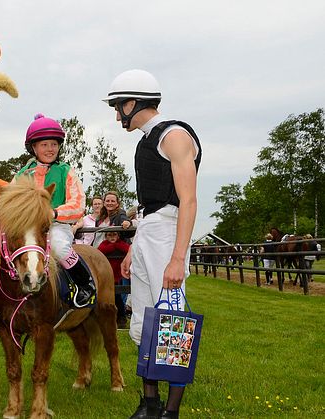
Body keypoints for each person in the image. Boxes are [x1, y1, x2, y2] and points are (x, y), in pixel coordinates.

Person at [105, 69, 201, 419]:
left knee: (171, 323)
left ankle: (170, 412)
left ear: (133, 102)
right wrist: (134, 246)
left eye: (119, 107)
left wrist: (178, 258)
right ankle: (149, 404)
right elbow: (150, 204)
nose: (117, 116)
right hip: (148, 230)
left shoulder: (174, 136)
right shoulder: (147, 139)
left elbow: (187, 201)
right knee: (144, 320)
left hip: (168, 233)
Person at [14, 113, 93, 309]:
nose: (50, 149)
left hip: (56, 225)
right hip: (28, 228)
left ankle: (85, 284)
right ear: (33, 147)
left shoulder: (66, 171)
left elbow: (78, 204)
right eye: (44, 144)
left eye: (54, 144)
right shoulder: (22, 174)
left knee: (59, 246)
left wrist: (54, 213)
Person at [98, 231, 131, 329]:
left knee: (118, 297)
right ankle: (111, 318)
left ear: (118, 235)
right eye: (109, 235)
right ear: (106, 236)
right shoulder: (104, 244)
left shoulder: (121, 243)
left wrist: (116, 245)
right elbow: (100, 250)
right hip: (107, 275)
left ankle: (121, 317)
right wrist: (113, 246)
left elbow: (128, 249)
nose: (112, 237)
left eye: (114, 234)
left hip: (118, 275)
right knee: (108, 298)